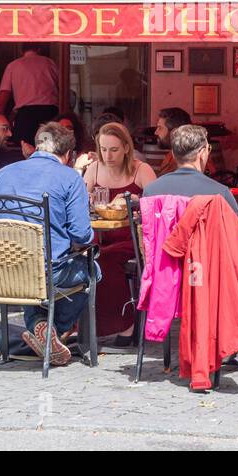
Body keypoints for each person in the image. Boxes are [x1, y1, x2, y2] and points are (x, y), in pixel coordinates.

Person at [142, 123, 238, 370]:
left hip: (166, 276)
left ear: (173, 154)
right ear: (202, 153)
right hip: (206, 278)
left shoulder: (151, 190)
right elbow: (236, 243)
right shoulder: (219, 192)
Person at [0, 122, 97, 367]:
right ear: (68, 155)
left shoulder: (0, 175)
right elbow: (81, 235)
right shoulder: (69, 178)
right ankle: (51, 330)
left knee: (34, 271)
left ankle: (40, 327)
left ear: (36, 146)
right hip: (46, 273)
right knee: (92, 270)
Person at [83, 121, 158, 347]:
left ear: (126, 148)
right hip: (100, 235)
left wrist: (137, 202)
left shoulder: (141, 170)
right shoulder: (94, 169)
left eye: (114, 149)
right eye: (103, 149)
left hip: (131, 237)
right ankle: (81, 325)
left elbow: (158, 204)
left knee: (106, 259)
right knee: (85, 257)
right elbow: (80, 202)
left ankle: (126, 325)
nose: (108, 155)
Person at [0, 44, 59, 148]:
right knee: (50, 149)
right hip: (50, 113)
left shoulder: (13, 66)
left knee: (24, 149)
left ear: (22, 51)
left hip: (26, 116)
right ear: (39, 49)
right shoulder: (49, 63)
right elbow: (62, 88)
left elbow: (3, 97)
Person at [154, 107, 192, 176]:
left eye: (160, 128)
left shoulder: (177, 160)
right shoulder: (195, 153)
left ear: (174, 132)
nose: (156, 132)